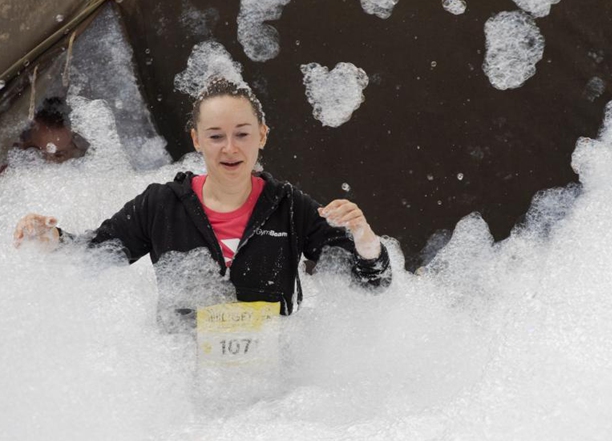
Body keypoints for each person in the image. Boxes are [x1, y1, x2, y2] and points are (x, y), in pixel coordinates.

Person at [13, 78, 391, 321]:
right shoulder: (161, 205)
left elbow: (372, 285)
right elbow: (96, 254)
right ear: (196, 139)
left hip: (275, 398)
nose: (230, 148)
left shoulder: (290, 207)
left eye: (242, 134)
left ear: (262, 135)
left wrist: (365, 238)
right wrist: (51, 239)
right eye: (215, 136)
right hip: (185, 391)